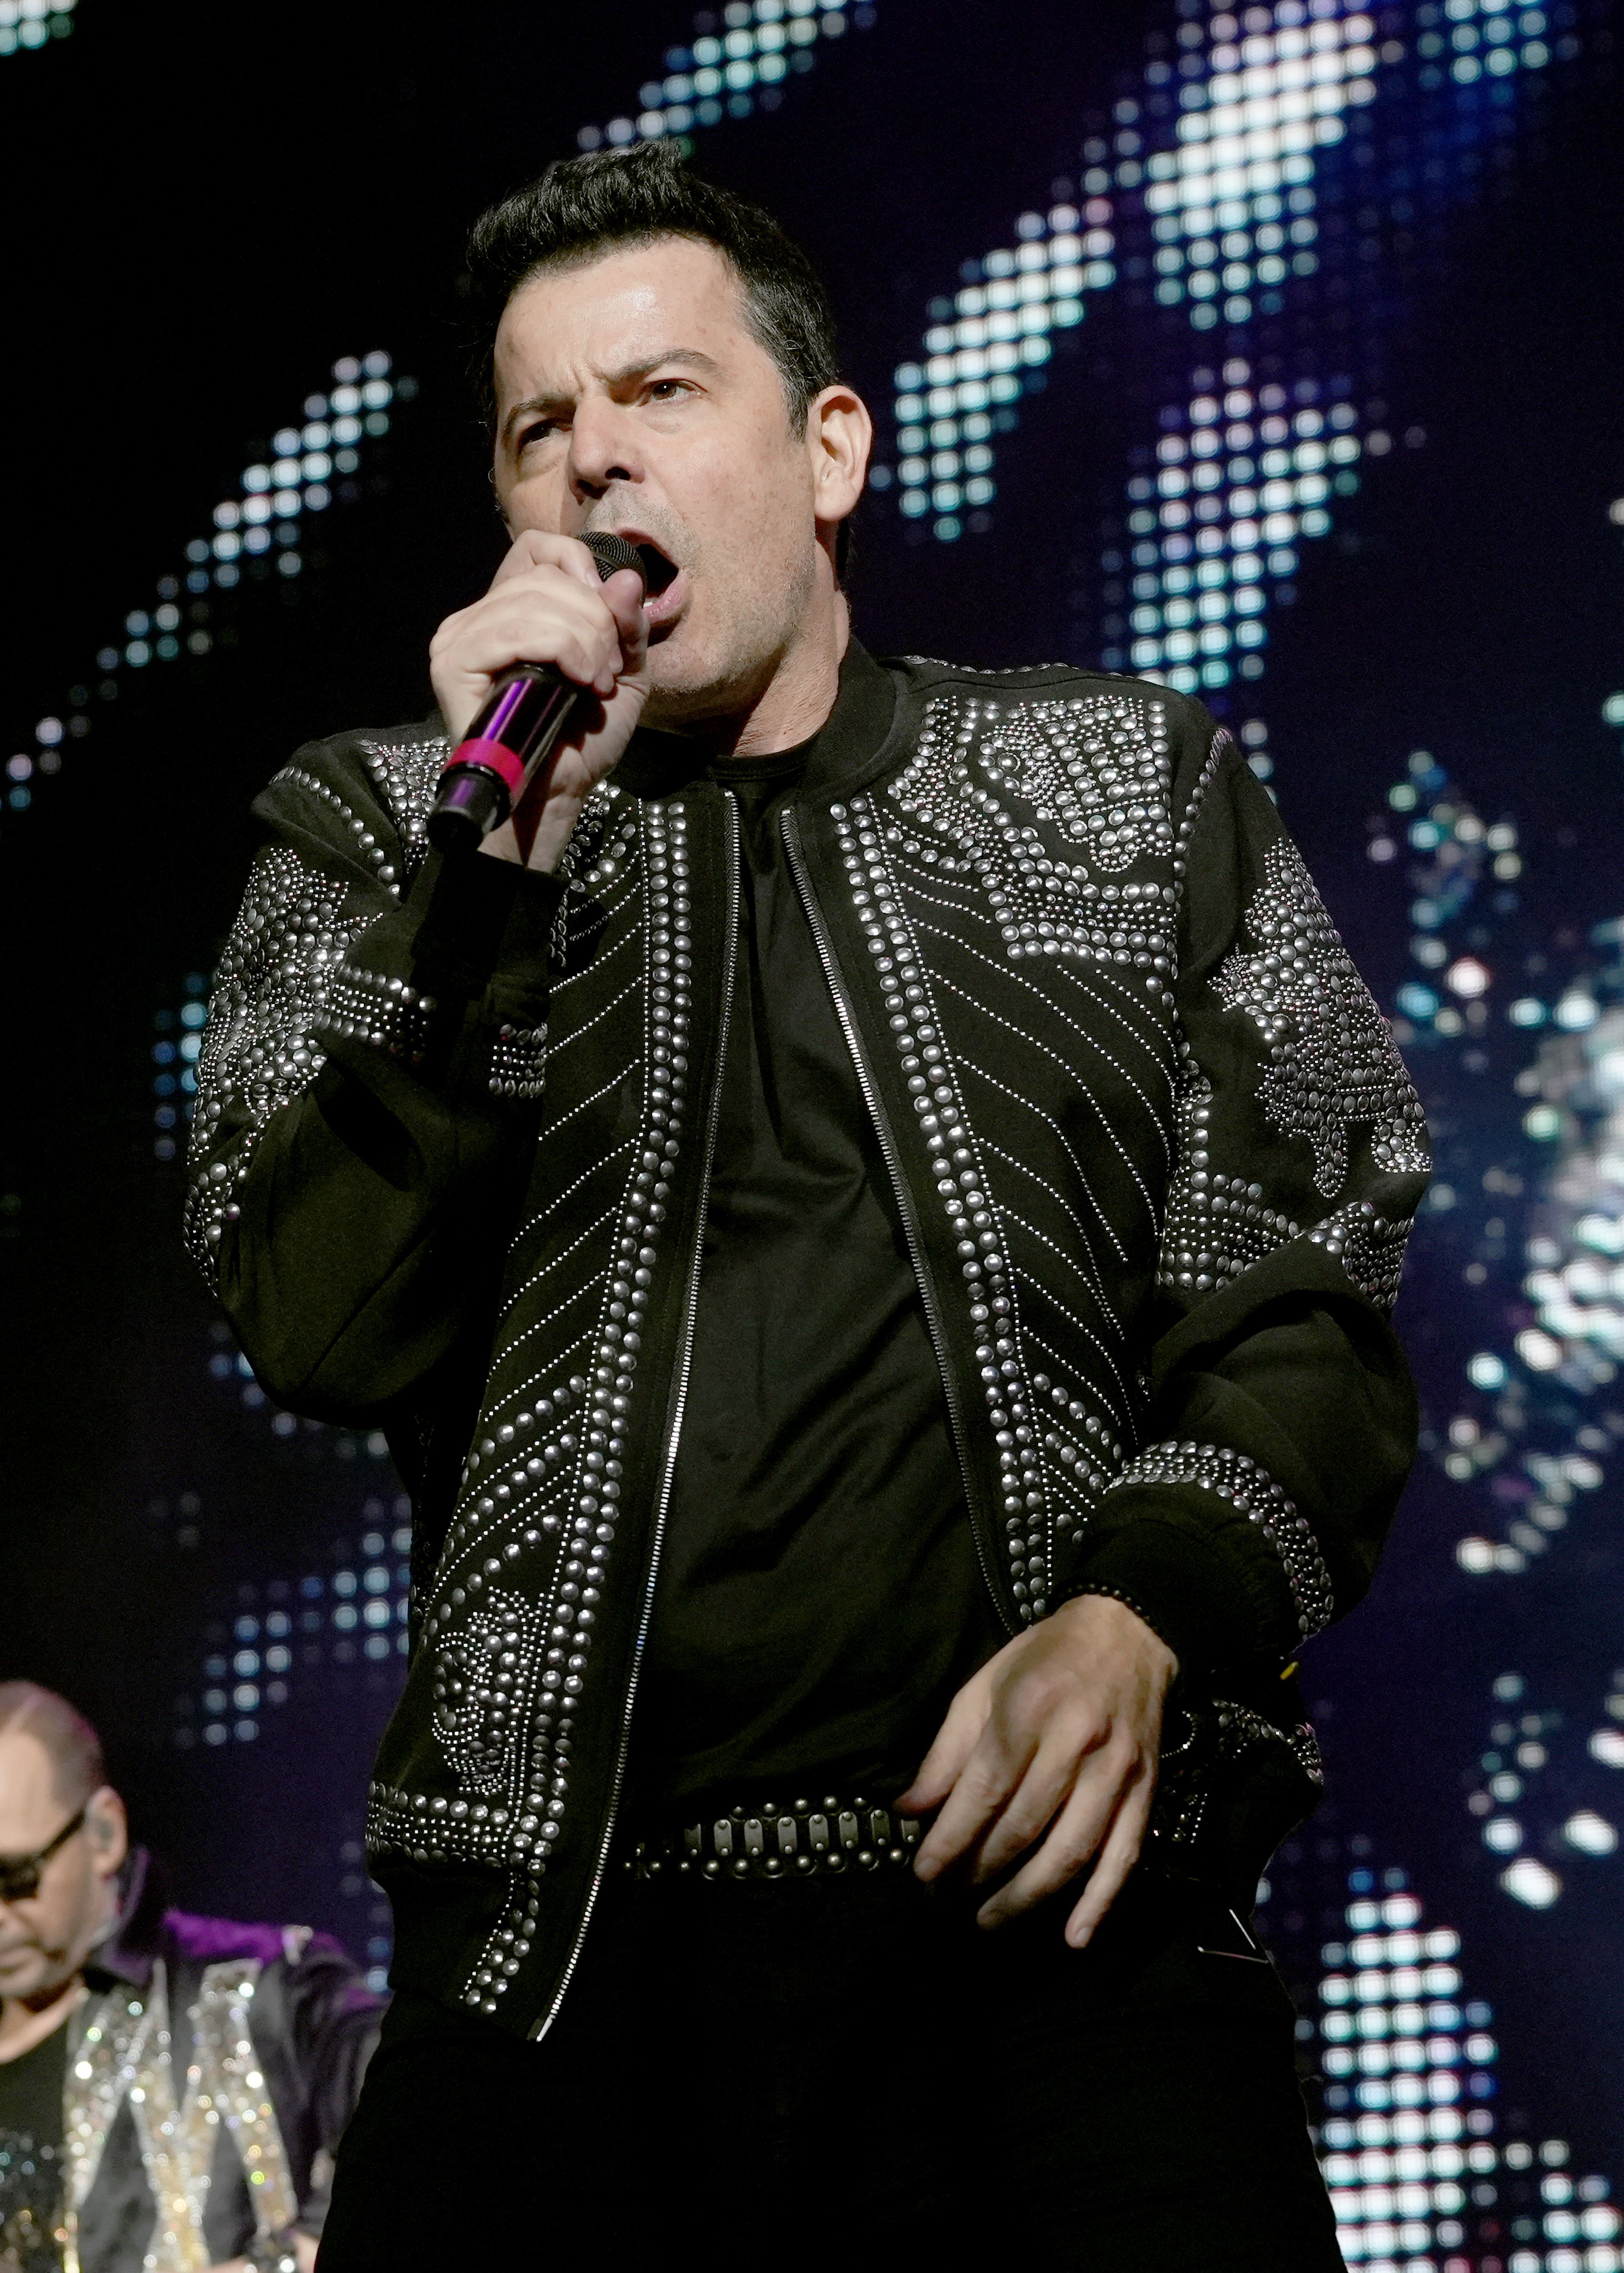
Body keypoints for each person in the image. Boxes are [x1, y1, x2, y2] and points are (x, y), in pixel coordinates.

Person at [185, 143, 1427, 2267]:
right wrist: (487, 896)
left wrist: (1144, 1612)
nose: (591, 468)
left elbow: (1307, 1270)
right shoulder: (375, 830)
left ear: (828, 447)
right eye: (536, 430)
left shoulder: (1134, 789)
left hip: (1071, 1951)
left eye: (658, 398)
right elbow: (314, 1313)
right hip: (558, 1981)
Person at [0, 1685, 381, 2273]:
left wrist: (280, 2262)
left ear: (103, 1833)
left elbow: (436, 2127)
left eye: (15, 1876)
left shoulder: (273, 1991)